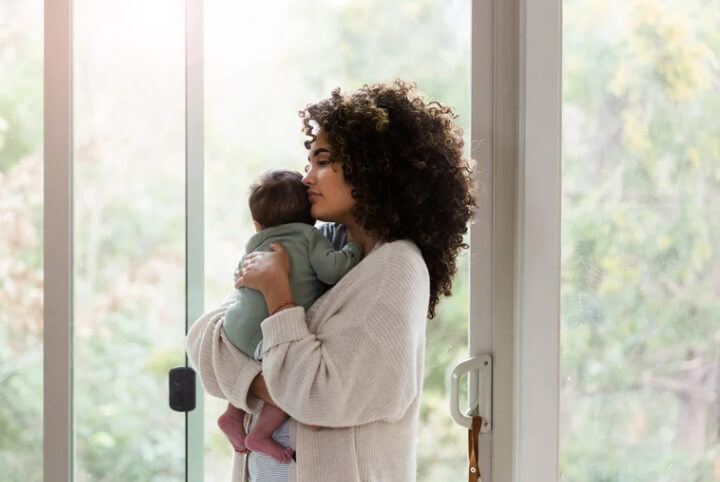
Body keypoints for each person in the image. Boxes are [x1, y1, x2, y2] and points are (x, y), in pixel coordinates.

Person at [186, 80, 476, 482]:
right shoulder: (316, 245)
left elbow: (321, 396)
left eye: (321, 162)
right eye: (309, 163)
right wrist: (268, 385)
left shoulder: (396, 268)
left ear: (373, 168)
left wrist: (278, 297)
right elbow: (205, 341)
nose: (306, 178)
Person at [217, 169, 363, 463]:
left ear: (258, 224)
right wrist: (353, 251)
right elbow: (331, 271)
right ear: (311, 216)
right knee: (283, 375)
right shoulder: (310, 237)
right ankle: (261, 432)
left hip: (234, 327)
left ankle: (232, 414)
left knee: (250, 364)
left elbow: (239, 278)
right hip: (268, 331)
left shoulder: (254, 243)